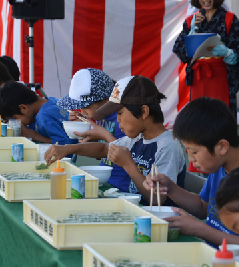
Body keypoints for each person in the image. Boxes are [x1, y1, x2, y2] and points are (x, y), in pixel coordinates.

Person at [45, 76, 186, 206]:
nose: (118, 120)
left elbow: (157, 199)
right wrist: (68, 149)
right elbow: (104, 149)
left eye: (120, 113)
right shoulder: (137, 138)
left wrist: (128, 165)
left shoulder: (168, 146)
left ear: (144, 112)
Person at [143, 97, 239, 250]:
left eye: (194, 152)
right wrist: (170, 188)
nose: (191, 159)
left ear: (222, 146)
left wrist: (199, 229)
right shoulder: (219, 165)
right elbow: (203, 207)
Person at [173, 0, 239, 118]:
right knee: (198, 116)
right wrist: (191, 32)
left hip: (221, 75)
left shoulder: (229, 19)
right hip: (198, 76)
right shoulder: (191, 21)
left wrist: (229, 53)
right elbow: (179, 48)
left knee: (221, 115)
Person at [56, 68, 132, 189]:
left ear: (107, 101)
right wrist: (88, 133)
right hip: (105, 181)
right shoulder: (101, 116)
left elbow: (131, 156)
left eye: (86, 108)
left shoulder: (124, 120)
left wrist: (102, 134)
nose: (83, 112)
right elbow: (102, 153)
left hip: (123, 185)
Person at [0, 81, 78, 149]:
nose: (18, 122)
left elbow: (63, 147)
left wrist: (33, 135)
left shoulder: (44, 116)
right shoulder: (50, 100)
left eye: (15, 118)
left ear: (23, 108)